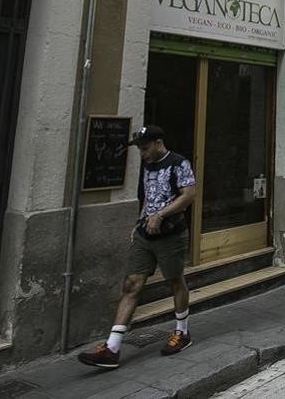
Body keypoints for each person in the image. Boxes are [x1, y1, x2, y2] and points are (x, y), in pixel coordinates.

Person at [78, 126, 197, 369]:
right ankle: (112, 348)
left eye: (145, 148)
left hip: (171, 234)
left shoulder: (178, 163)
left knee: (175, 281)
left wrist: (161, 215)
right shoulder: (148, 165)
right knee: (131, 284)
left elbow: (189, 195)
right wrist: (140, 221)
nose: (142, 154)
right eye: (140, 149)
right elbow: (149, 196)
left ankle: (182, 332)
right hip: (145, 233)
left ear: (158, 143)